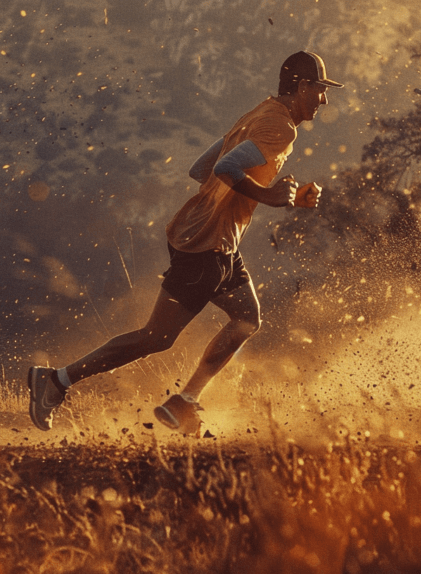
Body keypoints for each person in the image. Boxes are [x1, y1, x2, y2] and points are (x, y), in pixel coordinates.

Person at [28, 51, 343, 434]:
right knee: (155, 337)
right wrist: (269, 195)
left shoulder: (260, 113)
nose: (323, 100)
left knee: (246, 318)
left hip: (215, 241)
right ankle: (57, 381)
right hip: (204, 244)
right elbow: (225, 168)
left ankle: (185, 401)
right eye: (321, 89)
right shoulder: (281, 128)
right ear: (302, 87)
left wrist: (279, 195)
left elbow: (201, 169)